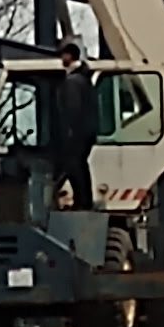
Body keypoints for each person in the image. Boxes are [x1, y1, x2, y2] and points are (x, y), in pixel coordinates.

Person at [52, 41, 97, 211]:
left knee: (73, 165)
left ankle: (82, 202)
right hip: (87, 131)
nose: (61, 58)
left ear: (69, 56)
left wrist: (69, 131)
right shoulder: (84, 79)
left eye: (63, 55)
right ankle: (85, 200)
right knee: (80, 165)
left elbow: (72, 108)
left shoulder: (72, 81)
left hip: (77, 132)